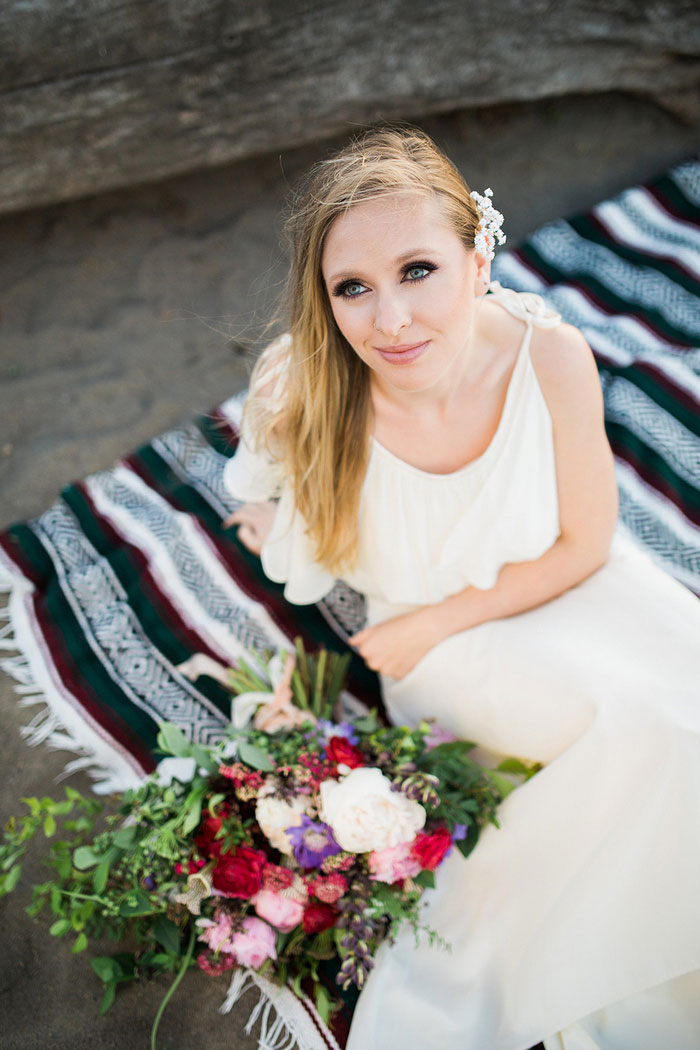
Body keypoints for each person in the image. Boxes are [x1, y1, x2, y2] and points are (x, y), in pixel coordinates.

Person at [222, 126, 700, 1050]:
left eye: (418, 270)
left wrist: (449, 608)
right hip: (445, 649)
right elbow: (266, 498)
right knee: (657, 738)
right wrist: (285, 525)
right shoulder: (305, 389)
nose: (390, 320)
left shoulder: (549, 358)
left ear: (478, 258)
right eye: (352, 287)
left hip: (573, 584)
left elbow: (589, 540)